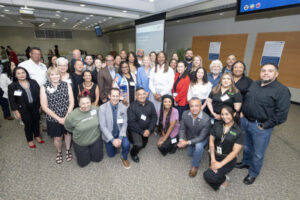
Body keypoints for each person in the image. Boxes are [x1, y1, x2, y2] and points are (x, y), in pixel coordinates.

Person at [236, 63, 291, 185]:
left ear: (276, 74)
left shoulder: (281, 90)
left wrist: (265, 125)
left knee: (258, 152)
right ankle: (245, 162)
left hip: (261, 126)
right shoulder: (254, 84)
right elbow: (247, 99)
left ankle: (253, 173)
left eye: (270, 71)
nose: (266, 73)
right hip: (246, 121)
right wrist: (243, 112)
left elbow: (281, 114)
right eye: (263, 70)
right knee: (246, 145)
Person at [203, 105, 244, 190]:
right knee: (212, 173)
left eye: (227, 114)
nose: (224, 117)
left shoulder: (239, 132)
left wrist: (220, 164)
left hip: (228, 158)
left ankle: (223, 179)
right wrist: (213, 159)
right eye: (222, 114)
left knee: (208, 176)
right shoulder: (217, 124)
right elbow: (211, 141)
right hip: (214, 154)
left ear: (233, 114)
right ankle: (222, 178)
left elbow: (235, 152)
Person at [40, 67, 74, 164]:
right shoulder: (44, 87)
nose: (55, 76)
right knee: (57, 137)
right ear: (49, 76)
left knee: (67, 134)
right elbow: (44, 106)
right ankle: (59, 152)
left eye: (57, 74)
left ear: (60, 75)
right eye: (52, 74)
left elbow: (71, 101)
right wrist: (59, 119)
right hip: (53, 118)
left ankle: (67, 150)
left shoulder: (66, 85)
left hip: (67, 115)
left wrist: (66, 116)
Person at [64, 89, 103, 167]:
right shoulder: (72, 115)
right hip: (80, 142)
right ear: (78, 104)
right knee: (83, 164)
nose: (86, 105)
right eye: (83, 103)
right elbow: (68, 127)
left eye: (88, 102)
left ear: (90, 102)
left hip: (95, 139)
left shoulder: (96, 109)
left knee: (97, 159)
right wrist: (78, 131)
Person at [8, 67, 44, 148]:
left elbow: (40, 94)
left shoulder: (33, 82)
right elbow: (12, 100)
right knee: (28, 124)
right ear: (15, 75)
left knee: (36, 122)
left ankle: (37, 135)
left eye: (23, 72)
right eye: (18, 73)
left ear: (26, 73)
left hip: (35, 106)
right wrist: (16, 111)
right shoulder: (12, 86)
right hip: (23, 108)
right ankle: (30, 140)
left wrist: (41, 104)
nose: (21, 75)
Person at [177, 97, 211, 177]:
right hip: (190, 136)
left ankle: (195, 165)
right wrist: (181, 140)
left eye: (196, 106)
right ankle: (194, 149)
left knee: (199, 147)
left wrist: (187, 142)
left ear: (201, 106)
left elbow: (202, 137)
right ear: (189, 106)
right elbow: (182, 128)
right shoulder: (185, 114)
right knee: (190, 154)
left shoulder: (206, 119)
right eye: (192, 106)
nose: (194, 108)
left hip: (201, 138)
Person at [99, 88, 131, 169]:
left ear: (119, 97)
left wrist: (120, 138)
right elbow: (103, 127)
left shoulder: (123, 107)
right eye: (113, 96)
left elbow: (125, 123)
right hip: (109, 135)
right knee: (111, 155)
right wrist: (112, 140)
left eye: (117, 96)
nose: (115, 98)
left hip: (120, 133)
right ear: (109, 96)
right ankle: (115, 145)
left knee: (127, 144)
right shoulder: (102, 108)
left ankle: (124, 157)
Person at [127, 88, 157, 162]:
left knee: (143, 145)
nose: (142, 96)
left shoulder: (151, 104)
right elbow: (131, 123)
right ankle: (133, 153)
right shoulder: (132, 107)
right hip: (136, 130)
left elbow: (154, 117)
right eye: (139, 94)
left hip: (147, 129)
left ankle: (139, 138)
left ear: (146, 95)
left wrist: (149, 130)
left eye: (143, 94)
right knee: (138, 144)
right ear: (136, 96)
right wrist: (142, 132)